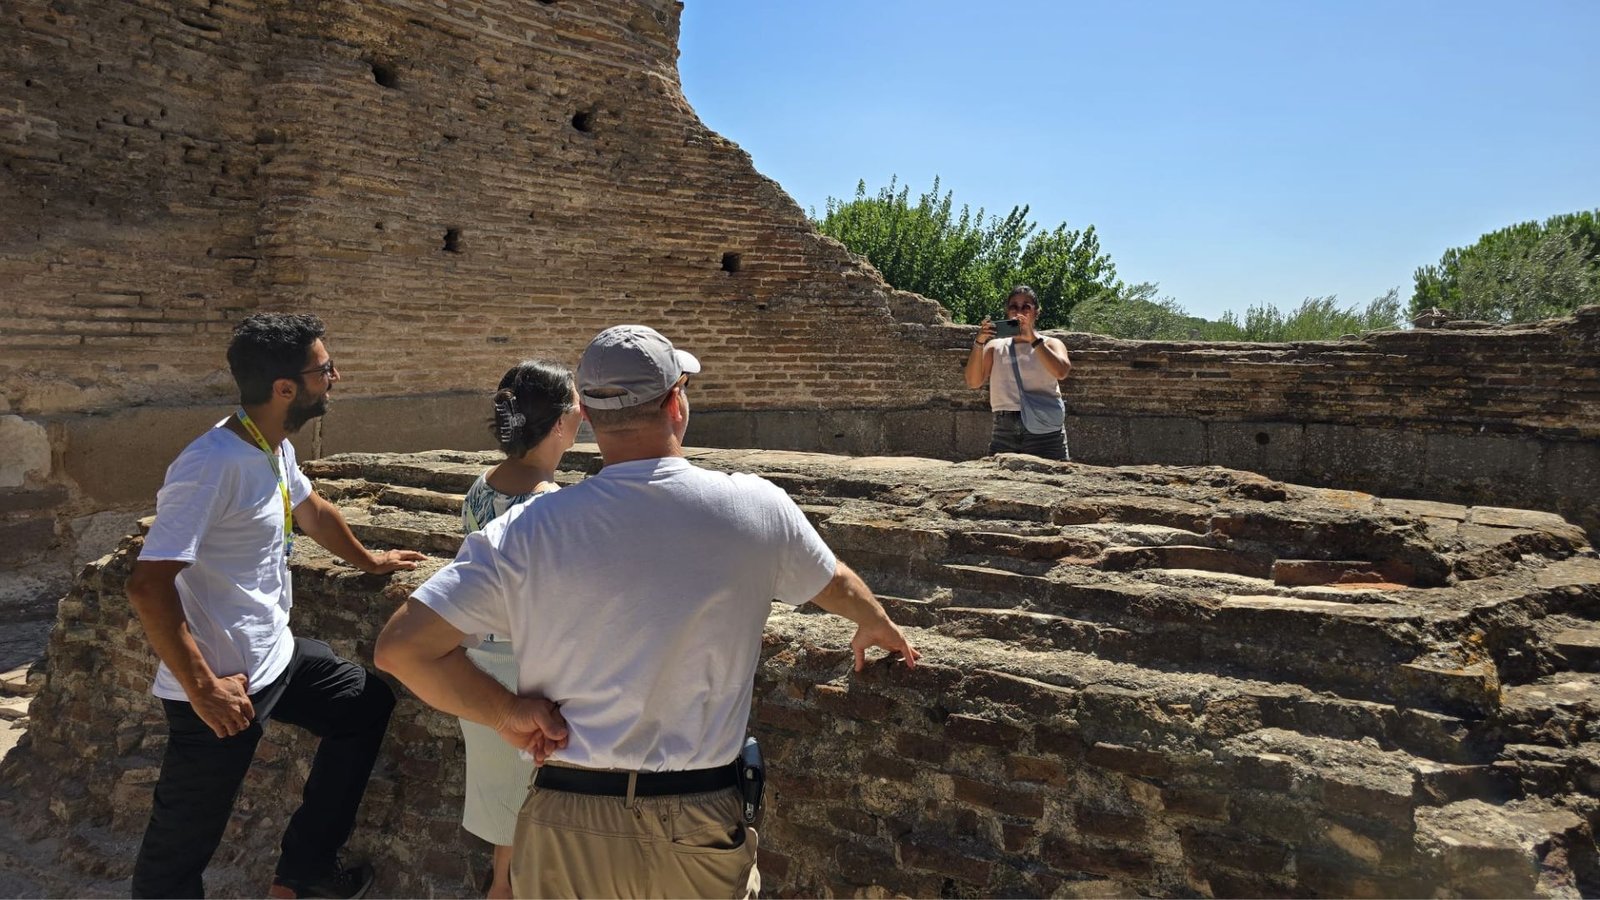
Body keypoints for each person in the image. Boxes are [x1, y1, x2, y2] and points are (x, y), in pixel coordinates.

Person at [375, 324, 921, 899]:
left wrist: (507, 712)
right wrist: (877, 622)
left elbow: (400, 648)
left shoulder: (529, 529)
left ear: (585, 412)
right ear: (675, 402)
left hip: (567, 813)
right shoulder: (755, 507)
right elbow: (831, 581)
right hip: (696, 818)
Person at [125, 313, 426, 899]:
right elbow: (147, 584)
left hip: (277, 660)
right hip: (223, 688)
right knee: (176, 858)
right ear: (285, 388)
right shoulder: (210, 465)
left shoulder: (269, 442)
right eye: (324, 370)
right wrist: (203, 688)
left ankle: (303, 872)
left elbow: (310, 510)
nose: (334, 377)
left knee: (364, 704)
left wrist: (370, 561)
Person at [458, 360, 581, 899]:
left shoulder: (479, 488)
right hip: (529, 667)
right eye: (576, 405)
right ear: (558, 423)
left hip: (478, 661)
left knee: (505, 800)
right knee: (532, 798)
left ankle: (503, 884)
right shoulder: (554, 504)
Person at [964, 284, 1073, 460]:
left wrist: (1033, 339)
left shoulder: (1052, 344)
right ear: (1007, 311)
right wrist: (979, 342)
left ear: (1036, 312)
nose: (1019, 311)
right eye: (1014, 306)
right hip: (1004, 428)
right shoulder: (995, 347)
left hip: (1045, 430)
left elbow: (1061, 372)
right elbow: (973, 382)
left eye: (1026, 307)